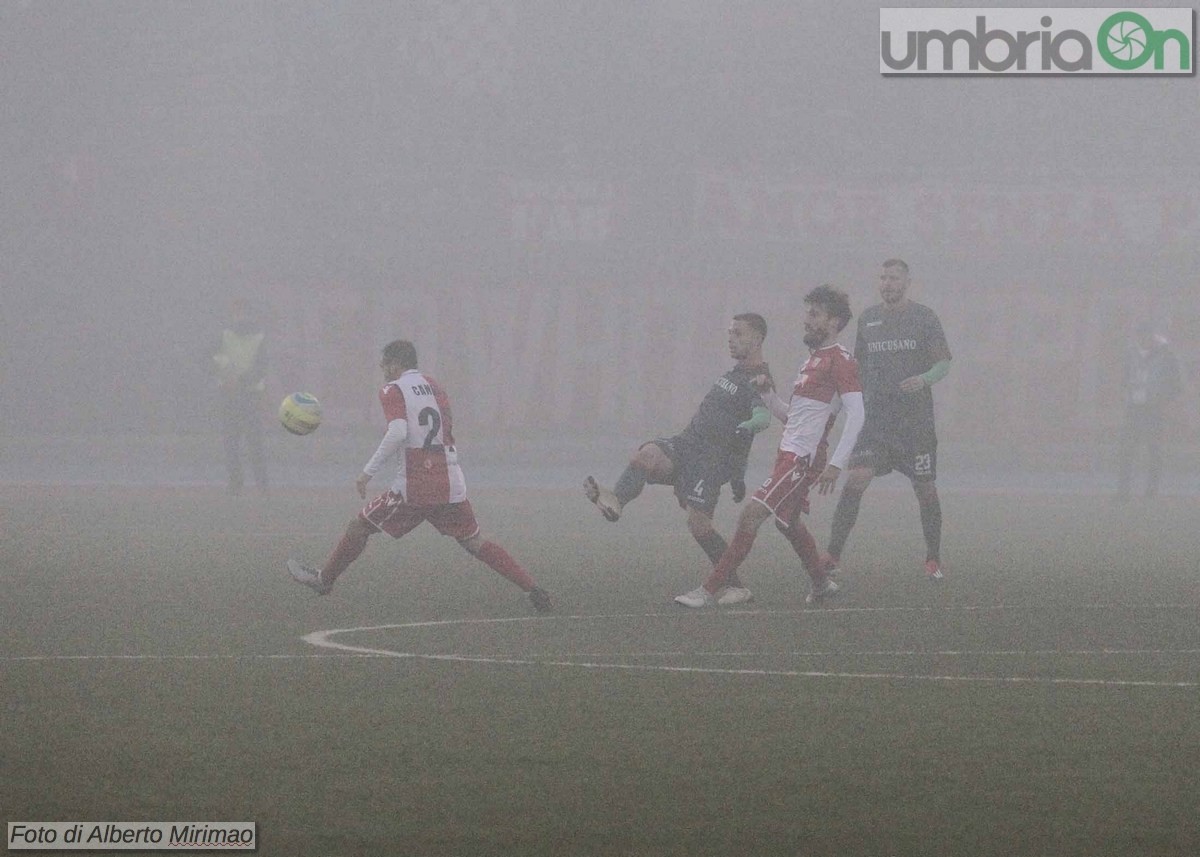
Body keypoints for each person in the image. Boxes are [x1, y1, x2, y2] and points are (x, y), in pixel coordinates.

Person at [287, 339, 552, 613]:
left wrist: (367, 472)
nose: (383, 371)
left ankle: (324, 580)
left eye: (384, 366)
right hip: (450, 480)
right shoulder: (436, 387)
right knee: (474, 541)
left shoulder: (392, 389)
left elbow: (399, 431)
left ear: (396, 364)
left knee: (359, 527)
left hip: (415, 485)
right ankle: (532, 587)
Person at [674, 285, 864, 608]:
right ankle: (820, 582)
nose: (806, 320)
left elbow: (858, 414)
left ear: (833, 322)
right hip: (788, 453)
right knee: (786, 521)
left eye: (814, 314)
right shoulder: (812, 361)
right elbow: (793, 416)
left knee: (751, 515)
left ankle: (708, 590)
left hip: (803, 459)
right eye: (807, 313)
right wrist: (767, 396)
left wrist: (836, 463)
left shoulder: (840, 361)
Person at [584, 314, 774, 606]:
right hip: (687, 444)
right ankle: (616, 501)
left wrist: (739, 467)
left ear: (758, 338)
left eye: (738, 333)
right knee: (646, 455)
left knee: (699, 526)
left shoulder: (759, 379)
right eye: (729, 332)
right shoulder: (733, 373)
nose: (730, 338)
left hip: (711, 461)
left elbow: (762, 419)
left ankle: (737, 586)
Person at [823, 259, 952, 581]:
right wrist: (843, 401)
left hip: (914, 423)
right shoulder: (868, 319)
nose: (887, 283)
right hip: (876, 421)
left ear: (907, 281)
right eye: (883, 277)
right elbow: (859, 369)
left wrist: (924, 379)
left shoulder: (924, 318)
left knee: (925, 489)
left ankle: (933, 558)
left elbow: (943, 364)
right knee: (856, 480)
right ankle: (832, 556)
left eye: (894, 278)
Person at [1116, 321, 1182, 500]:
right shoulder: (1131, 353)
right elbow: (1125, 376)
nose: (1141, 340)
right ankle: (1123, 492)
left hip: (1154, 410)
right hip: (1134, 408)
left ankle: (1151, 493)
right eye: (1139, 337)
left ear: (1152, 336)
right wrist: (1126, 394)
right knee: (1127, 450)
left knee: (1154, 451)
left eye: (1144, 336)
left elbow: (1176, 384)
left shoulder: (1167, 356)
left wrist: (1163, 400)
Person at [213, 298, 268, 495]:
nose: (240, 317)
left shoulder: (260, 338)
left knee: (255, 443)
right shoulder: (223, 336)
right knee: (231, 442)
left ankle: (262, 486)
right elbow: (207, 358)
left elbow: (262, 368)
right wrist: (221, 368)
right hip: (228, 396)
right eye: (237, 312)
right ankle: (235, 485)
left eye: (244, 312)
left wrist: (241, 381)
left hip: (250, 396)